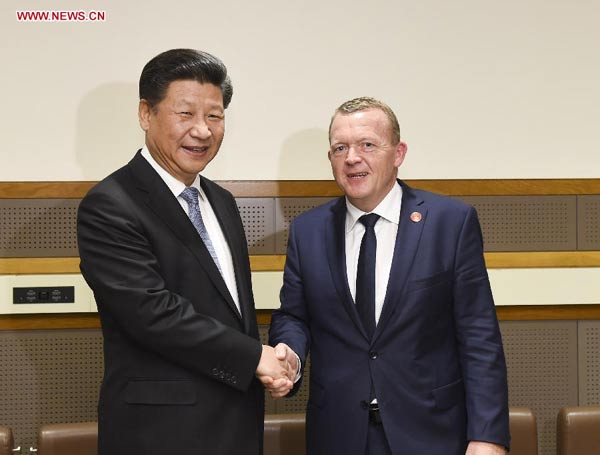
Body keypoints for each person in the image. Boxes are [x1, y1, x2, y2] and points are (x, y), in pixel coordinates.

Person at [77, 48, 292, 455]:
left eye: (215, 116)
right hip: (159, 433)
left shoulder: (222, 201)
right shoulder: (110, 203)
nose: (203, 131)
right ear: (145, 114)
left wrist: (269, 362)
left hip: (236, 424)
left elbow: (230, 311)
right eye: (185, 114)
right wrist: (253, 358)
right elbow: (150, 313)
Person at [268, 97, 510, 454]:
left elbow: (479, 335)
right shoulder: (308, 230)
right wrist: (289, 352)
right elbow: (294, 314)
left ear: (398, 153)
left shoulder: (450, 222)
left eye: (367, 144)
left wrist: (488, 436)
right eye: (340, 147)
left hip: (432, 433)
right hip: (338, 434)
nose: (352, 157)